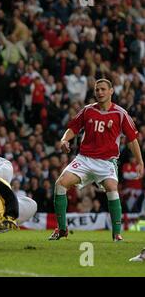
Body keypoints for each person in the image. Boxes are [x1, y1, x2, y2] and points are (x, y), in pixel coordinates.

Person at [49, 78, 144, 241]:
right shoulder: (87, 110)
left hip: (106, 162)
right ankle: (62, 229)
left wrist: (140, 162)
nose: (99, 92)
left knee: (112, 188)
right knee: (60, 184)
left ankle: (116, 234)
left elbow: (132, 139)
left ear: (111, 91)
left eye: (103, 89)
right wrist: (64, 140)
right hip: (85, 159)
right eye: (97, 90)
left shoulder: (120, 114)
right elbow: (73, 128)